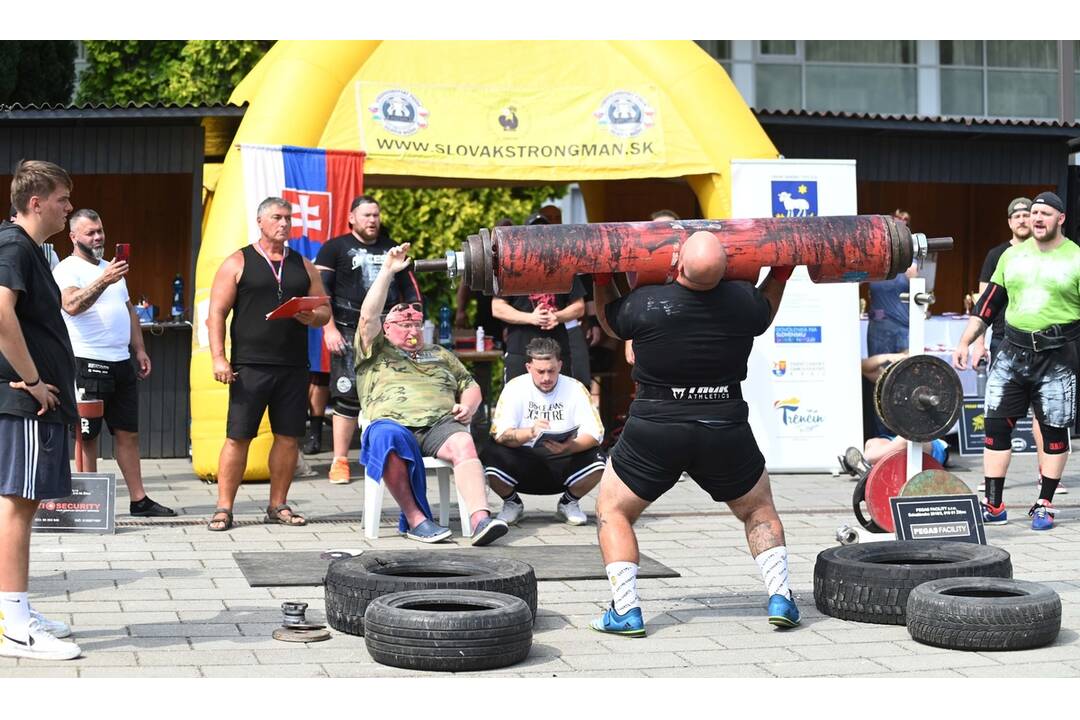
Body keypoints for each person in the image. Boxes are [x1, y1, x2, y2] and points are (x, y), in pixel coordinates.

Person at [590, 230, 800, 637]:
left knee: (613, 511)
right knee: (758, 510)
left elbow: (609, 319)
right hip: (724, 426)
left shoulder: (645, 305)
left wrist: (601, 277)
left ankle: (626, 610)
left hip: (656, 429)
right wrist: (782, 270)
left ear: (677, 264)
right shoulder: (744, 303)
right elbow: (767, 308)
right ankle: (780, 597)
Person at [355, 242, 508, 546]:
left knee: (464, 441)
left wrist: (468, 406)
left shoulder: (439, 352)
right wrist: (387, 271)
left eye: (416, 322)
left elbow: (470, 384)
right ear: (386, 329)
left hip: (439, 425)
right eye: (403, 323)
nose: (412, 328)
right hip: (393, 424)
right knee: (386, 438)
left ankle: (481, 520)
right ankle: (416, 520)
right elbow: (368, 316)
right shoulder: (375, 349)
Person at [953, 191, 1077, 531]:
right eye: (1033, 213)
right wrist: (966, 340)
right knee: (995, 428)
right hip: (1011, 351)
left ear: (1060, 219)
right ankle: (994, 505)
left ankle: (1044, 503)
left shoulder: (1075, 258)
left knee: (1053, 431)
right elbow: (989, 304)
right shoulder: (1011, 257)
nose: (1036, 218)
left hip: (1058, 356)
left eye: (1045, 213)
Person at [206, 196, 331, 531]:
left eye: (289, 218)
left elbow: (324, 312)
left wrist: (312, 316)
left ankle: (278, 505)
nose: (284, 223)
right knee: (238, 437)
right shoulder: (238, 261)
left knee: (289, 437)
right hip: (250, 365)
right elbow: (216, 313)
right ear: (260, 221)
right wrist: (219, 357)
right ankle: (223, 508)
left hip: (292, 366)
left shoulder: (303, 264)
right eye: (277, 217)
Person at [0, 160, 82, 660]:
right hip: (26, 402)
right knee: (18, 505)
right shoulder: (14, 245)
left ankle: (16, 611)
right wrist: (33, 381)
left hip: (35, 400)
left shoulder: (29, 249)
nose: (69, 208)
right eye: (63, 200)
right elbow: (0, 310)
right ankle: (15, 625)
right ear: (36, 203)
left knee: (18, 505)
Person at [52, 209, 175, 517]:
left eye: (100, 231)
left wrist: (141, 349)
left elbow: (129, 310)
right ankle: (89, 505)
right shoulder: (68, 269)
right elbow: (71, 305)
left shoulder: (112, 268)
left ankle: (139, 500)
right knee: (87, 435)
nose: (98, 237)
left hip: (121, 361)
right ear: (74, 237)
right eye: (90, 232)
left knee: (128, 433)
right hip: (87, 361)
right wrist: (104, 280)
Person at [314, 195, 422, 485]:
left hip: (389, 333)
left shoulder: (392, 248)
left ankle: (390, 457)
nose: (373, 220)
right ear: (352, 218)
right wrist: (329, 329)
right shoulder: (334, 248)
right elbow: (322, 294)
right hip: (348, 330)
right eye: (366, 215)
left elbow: (410, 290)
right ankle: (340, 460)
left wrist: (413, 324)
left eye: (376, 215)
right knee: (347, 396)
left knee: (391, 393)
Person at [967, 198, 1057, 494]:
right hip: (1004, 339)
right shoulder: (998, 254)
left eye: (1026, 215)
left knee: (1044, 415)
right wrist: (978, 342)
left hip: (1044, 344)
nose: (1022, 220)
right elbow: (984, 300)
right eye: (1016, 216)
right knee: (997, 415)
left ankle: (1046, 476)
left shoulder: (1050, 253)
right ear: (1009, 222)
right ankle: (992, 483)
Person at [482, 337, 606, 526]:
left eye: (552, 371)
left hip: (564, 456)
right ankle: (512, 502)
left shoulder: (575, 388)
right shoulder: (515, 387)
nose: (546, 378)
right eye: (540, 372)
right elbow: (500, 433)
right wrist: (530, 433)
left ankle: (569, 502)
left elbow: (596, 433)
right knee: (489, 454)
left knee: (599, 461)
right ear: (528, 367)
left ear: (560, 365)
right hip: (523, 457)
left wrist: (569, 446)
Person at [492, 215, 587, 385]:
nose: (540, 238)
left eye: (544, 232)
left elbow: (579, 307)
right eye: (535, 233)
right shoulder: (513, 266)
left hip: (556, 352)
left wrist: (557, 317)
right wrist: (531, 318)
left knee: (559, 405)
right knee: (518, 405)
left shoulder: (564, 267)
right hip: (521, 350)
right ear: (526, 237)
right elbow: (497, 307)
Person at [625, 210, 680, 367]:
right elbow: (635, 298)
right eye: (657, 229)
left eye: (668, 228)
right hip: (649, 336)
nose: (663, 234)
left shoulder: (690, 259)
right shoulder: (641, 260)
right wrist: (630, 338)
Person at [865, 209, 918, 355]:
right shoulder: (873, 257)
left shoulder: (910, 259)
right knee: (879, 372)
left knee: (904, 371)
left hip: (903, 325)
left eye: (904, 223)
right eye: (897, 222)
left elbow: (918, 287)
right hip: (880, 325)